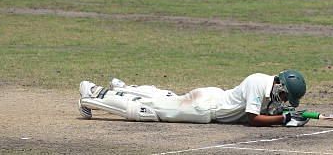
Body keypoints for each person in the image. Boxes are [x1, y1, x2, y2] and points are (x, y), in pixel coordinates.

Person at [78, 70, 310, 127]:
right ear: (280, 85)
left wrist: (285, 114)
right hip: (203, 109)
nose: (282, 100)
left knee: (163, 97)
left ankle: (125, 88)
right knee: (151, 111)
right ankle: (92, 95)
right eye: (284, 96)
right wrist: (282, 119)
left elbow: (266, 111)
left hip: (211, 97)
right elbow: (252, 118)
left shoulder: (268, 86)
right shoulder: (259, 83)